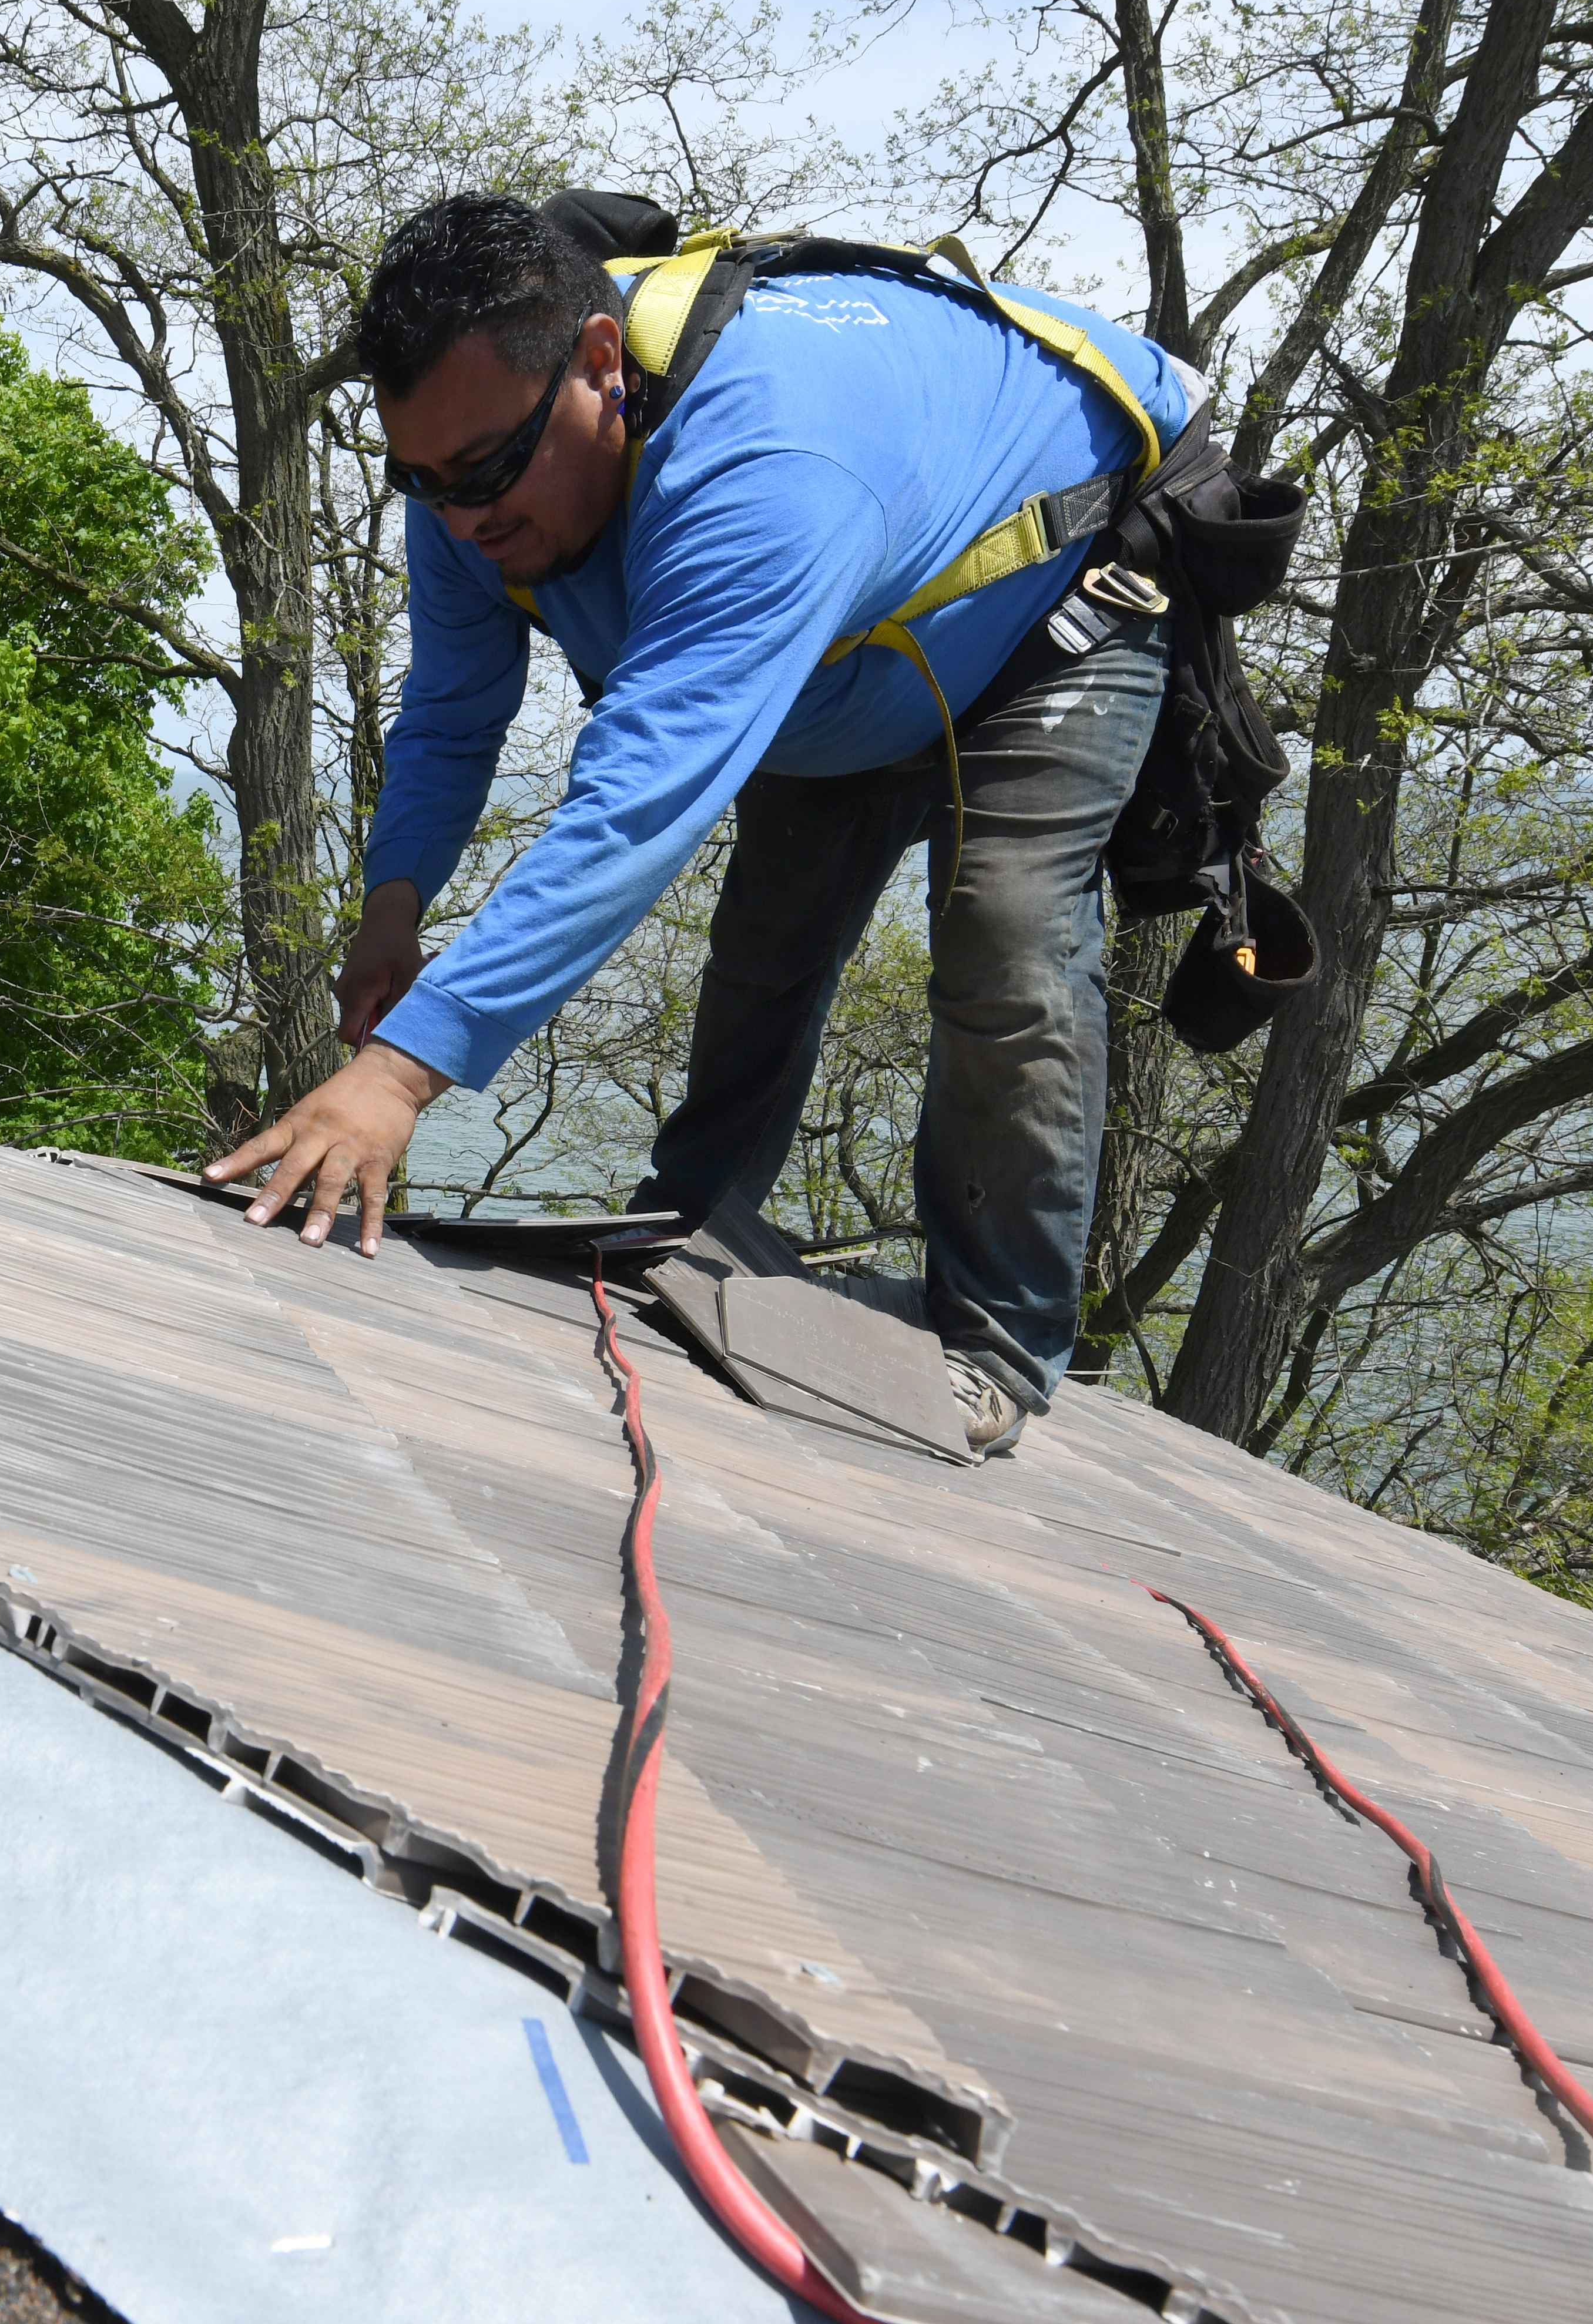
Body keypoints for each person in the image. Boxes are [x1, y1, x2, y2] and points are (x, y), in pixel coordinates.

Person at [204, 192, 1188, 1456]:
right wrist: (393, 910)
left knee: (1004, 937)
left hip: (1043, 604)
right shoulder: (467, 455)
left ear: (599, 367)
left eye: (490, 475)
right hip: (847, 647)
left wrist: (399, 1077)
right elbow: (453, 714)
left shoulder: (766, 471)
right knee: (765, 951)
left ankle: (997, 1345)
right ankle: (686, 1229)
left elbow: (637, 805)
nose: (462, 521)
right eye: (422, 482)